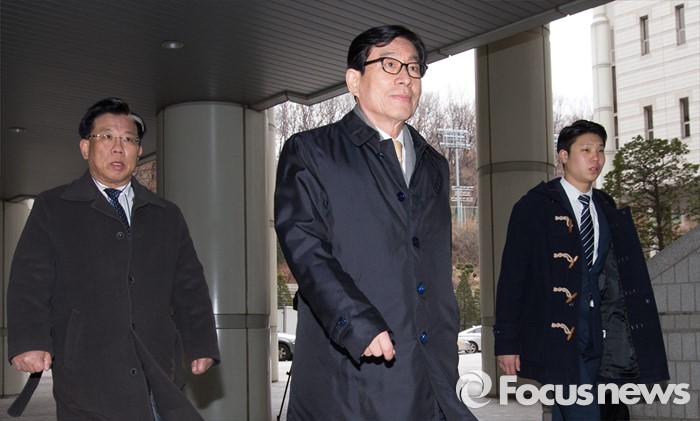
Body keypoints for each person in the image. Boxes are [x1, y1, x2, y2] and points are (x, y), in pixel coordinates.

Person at [274, 25, 476, 420]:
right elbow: (305, 247)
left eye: (414, 68)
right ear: (354, 80)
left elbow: (433, 262)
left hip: (431, 370)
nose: (405, 77)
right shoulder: (313, 151)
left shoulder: (434, 164)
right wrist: (356, 322)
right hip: (353, 367)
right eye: (389, 65)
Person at [7, 98, 220, 420]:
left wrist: (201, 342)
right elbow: (29, 281)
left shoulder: (166, 215)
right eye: (107, 137)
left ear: (139, 151)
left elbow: (189, 284)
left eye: (128, 139)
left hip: (155, 368)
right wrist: (28, 340)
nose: (118, 148)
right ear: (85, 147)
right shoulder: (54, 207)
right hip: (86, 374)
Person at [494, 120, 669, 420]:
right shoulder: (534, 207)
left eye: (600, 150)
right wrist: (506, 342)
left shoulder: (605, 205)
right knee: (583, 411)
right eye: (586, 150)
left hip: (602, 333)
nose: (595, 158)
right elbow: (512, 279)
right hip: (557, 335)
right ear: (563, 156)